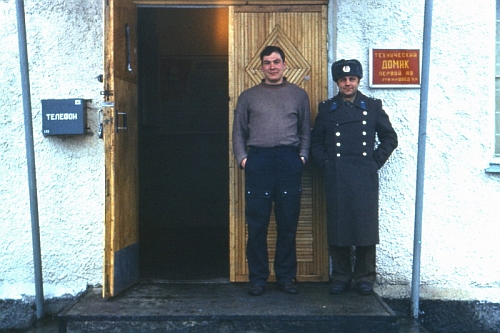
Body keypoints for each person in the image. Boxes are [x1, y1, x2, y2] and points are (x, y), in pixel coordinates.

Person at [310, 59, 398, 295]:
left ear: (358, 81)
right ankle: (340, 276)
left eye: (352, 79)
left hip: (364, 176)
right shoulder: (327, 110)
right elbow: (315, 142)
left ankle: (364, 277)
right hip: (337, 176)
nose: (347, 83)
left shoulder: (373, 107)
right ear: (337, 82)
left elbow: (390, 138)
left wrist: (374, 162)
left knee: (365, 226)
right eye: (342, 79)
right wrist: (327, 164)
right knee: (338, 225)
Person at [232, 46, 311, 296]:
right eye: (267, 63)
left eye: (276, 62)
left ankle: (286, 278)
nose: (272, 66)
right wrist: (244, 159)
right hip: (259, 162)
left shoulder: (299, 95)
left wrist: (301, 158)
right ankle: (258, 279)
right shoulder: (248, 96)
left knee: (288, 223)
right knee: (257, 224)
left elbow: (305, 131)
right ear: (262, 67)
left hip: (288, 161)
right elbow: (238, 133)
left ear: (285, 65)